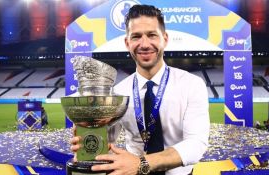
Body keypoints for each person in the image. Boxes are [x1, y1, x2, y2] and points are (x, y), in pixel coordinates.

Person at [71, 4, 210, 175]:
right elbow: (107, 139)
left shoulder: (191, 84)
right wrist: (87, 139)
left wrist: (141, 163)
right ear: (127, 42)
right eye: (136, 36)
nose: (144, 44)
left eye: (152, 35)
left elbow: (196, 144)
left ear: (164, 39)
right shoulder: (117, 93)